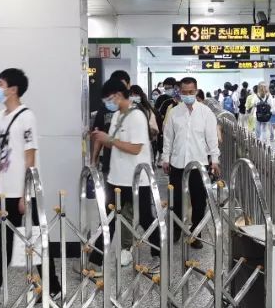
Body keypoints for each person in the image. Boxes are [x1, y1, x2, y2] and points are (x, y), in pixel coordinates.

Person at [0, 68, 61, 302]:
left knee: (34, 239)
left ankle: (51, 287)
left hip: (25, 192)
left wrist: (25, 194)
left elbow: (30, 156)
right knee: (5, 243)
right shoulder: (0, 117)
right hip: (6, 191)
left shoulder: (27, 117)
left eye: (1, 84)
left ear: (13, 89)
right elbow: (2, 157)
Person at [89, 79, 159, 267]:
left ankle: (159, 253)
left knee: (145, 218)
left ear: (119, 95)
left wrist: (109, 140)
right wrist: (100, 139)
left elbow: (135, 148)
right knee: (108, 219)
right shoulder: (117, 115)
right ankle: (95, 261)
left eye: (108, 99)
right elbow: (114, 143)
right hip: (116, 178)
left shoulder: (137, 116)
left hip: (136, 179)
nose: (107, 103)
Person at [162, 77, 220, 250]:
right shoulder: (174, 112)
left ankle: (196, 234)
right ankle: (176, 230)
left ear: (196, 91)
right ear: (179, 92)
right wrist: (165, 158)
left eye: (191, 92)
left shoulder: (205, 112)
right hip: (177, 163)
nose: (187, 95)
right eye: (184, 92)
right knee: (176, 200)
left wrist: (215, 160)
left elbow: (212, 138)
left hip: (198, 164)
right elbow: (168, 138)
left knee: (199, 201)